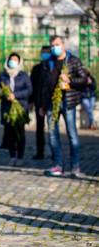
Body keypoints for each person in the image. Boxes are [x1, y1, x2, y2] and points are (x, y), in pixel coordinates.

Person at [36, 35, 87, 177]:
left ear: (63, 45)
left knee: (72, 133)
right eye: (52, 46)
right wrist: (42, 105)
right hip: (51, 103)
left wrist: (69, 80)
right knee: (52, 135)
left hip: (68, 102)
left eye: (57, 45)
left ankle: (75, 166)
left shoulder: (73, 61)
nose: (54, 48)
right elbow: (44, 85)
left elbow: (83, 80)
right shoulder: (48, 63)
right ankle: (57, 165)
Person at [0, 53, 32, 166]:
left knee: (20, 133)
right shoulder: (3, 76)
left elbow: (29, 90)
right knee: (10, 133)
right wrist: (4, 95)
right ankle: (12, 156)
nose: (13, 62)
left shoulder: (24, 75)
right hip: (7, 109)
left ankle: (20, 156)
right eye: (11, 60)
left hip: (20, 109)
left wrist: (15, 95)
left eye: (15, 60)